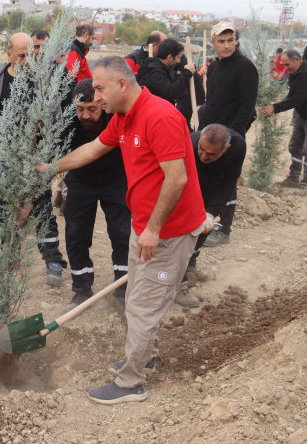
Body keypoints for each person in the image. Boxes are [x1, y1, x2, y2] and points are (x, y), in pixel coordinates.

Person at [40, 56, 207, 404]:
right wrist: (51, 167)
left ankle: (131, 382)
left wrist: (154, 229)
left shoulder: (158, 116)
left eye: (99, 88)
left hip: (167, 231)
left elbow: (177, 178)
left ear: (120, 84)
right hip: (145, 224)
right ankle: (145, 356)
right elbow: (93, 149)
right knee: (136, 298)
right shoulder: (124, 117)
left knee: (144, 305)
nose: (95, 97)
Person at [0, 32, 68, 287]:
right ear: (9, 55)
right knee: (3, 212)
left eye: (33, 55)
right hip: (3, 164)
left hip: (35, 163)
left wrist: (49, 163)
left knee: (43, 211)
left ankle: (53, 260)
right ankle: (9, 256)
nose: (29, 60)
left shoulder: (45, 84)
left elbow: (55, 127)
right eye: (23, 55)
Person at [63, 79, 130, 315]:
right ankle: (82, 289)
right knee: (76, 235)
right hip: (81, 182)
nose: (86, 115)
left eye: (92, 109)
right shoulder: (68, 122)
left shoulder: (117, 118)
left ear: (101, 104)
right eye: (80, 109)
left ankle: (123, 288)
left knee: (122, 234)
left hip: (117, 181)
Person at [175, 124, 246, 308]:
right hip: (187, 188)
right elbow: (178, 181)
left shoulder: (237, 145)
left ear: (226, 148)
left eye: (212, 154)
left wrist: (210, 212)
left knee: (205, 228)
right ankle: (178, 285)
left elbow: (229, 181)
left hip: (213, 189)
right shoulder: (188, 143)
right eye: (202, 150)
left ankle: (191, 266)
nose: (204, 156)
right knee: (183, 237)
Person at [261, 49, 307, 193]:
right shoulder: (295, 73)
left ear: (297, 60)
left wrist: (276, 108)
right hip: (304, 114)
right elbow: (292, 95)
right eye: (284, 65)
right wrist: (277, 105)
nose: (286, 68)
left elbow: (299, 98)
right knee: (294, 147)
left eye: (288, 65)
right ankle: (293, 178)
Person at [199, 22, 259, 140]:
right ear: (213, 43)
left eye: (230, 40)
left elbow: (248, 106)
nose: (227, 46)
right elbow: (211, 101)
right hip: (211, 133)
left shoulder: (245, 67)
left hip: (230, 137)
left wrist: (231, 135)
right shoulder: (213, 67)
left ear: (236, 41)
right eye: (221, 41)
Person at [137, 38, 195, 104]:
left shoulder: (162, 68)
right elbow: (171, 92)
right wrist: (187, 73)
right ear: (170, 57)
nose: (179, 61)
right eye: (178, 58)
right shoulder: (153, 72)